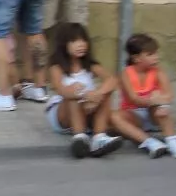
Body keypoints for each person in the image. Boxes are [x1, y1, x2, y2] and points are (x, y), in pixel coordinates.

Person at [45, 22, 125, 159]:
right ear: (64, 45)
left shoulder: (90, 65)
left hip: (86, 108)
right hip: (63, 114)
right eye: (75, 41)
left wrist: (97, 94)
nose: (81, 44)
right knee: (73, 91)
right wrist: (84, 95)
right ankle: (79, 138)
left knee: (106, 91)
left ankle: (99, 138)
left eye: (83, 40)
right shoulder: (56, 68)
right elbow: (61, 90)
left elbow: (112, 80)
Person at [118, 34, 176, 159]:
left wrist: (160, 101)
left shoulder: (158, 71)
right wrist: (153, 100)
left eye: (156, 53)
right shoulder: (126, 73)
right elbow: (133, 99)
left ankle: (172, 141)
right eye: (150, 54)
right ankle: (151, 143)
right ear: (136, 58)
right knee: (114, 116)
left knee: (160, 101)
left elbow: (169, 95)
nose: (156, 57)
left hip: (155, 114)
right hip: (134, 115)